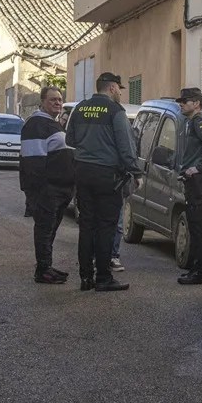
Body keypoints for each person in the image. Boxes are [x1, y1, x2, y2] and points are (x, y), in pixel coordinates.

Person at [66, 73, 142, 292]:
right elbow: (126, 147)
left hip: (83, 173)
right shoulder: (115, 111)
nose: (120, 92)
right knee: (106, 226)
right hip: (108, 176)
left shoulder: (80, 108)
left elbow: (70, 139)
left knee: (87, 225)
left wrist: (89, 145)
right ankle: (103, 277)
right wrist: (136, 172)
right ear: (111, 88)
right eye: (119, 88)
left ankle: (85, 277)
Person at [19, 86, 74, 284]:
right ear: (42, 102)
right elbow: (33, 161)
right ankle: (43, 269)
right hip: (46, 189)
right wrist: (40, 191)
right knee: (44, 228)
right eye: (53, 100)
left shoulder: (53, 123)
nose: (57, 103)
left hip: (60, 188)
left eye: (59, 99)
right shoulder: (36, 124)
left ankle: (46, 266)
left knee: (50, 229)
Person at [175, 87, 202, 285]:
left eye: (185, 100)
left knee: (199, 226)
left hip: (199, 182)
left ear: (197, 104)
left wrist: (197, 167)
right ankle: (196, 268)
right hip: (193, 181)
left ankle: (201, 272)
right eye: (181, 101)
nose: (181, 103)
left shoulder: (199, 121)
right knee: (195, 225)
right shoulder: (190, 121)